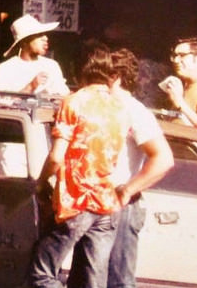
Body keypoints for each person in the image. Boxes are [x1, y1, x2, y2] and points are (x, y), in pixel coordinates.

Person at [68, 48, 174, 288]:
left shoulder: (133, 110)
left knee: (117, 280)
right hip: (95, 200)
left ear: (115, 77)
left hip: (120, 204)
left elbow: (163, 158)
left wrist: (127, 190)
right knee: (86, 279)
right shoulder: (101, 107)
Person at [30, 47, 130, 288]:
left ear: (79, 70)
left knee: (41, 274)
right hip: (107, 202)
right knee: (93, 282)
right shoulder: (120, 108)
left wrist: (41, 183)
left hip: (76, 199)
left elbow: (56, 157)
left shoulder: (73, 102)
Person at [0, 15, 68, 96]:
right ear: (24, 42)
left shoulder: (52, 66)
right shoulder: (6, 68)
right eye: (39, 35)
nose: (45, 38)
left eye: (44, 34)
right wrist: (31, 86)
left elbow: (63, 96)